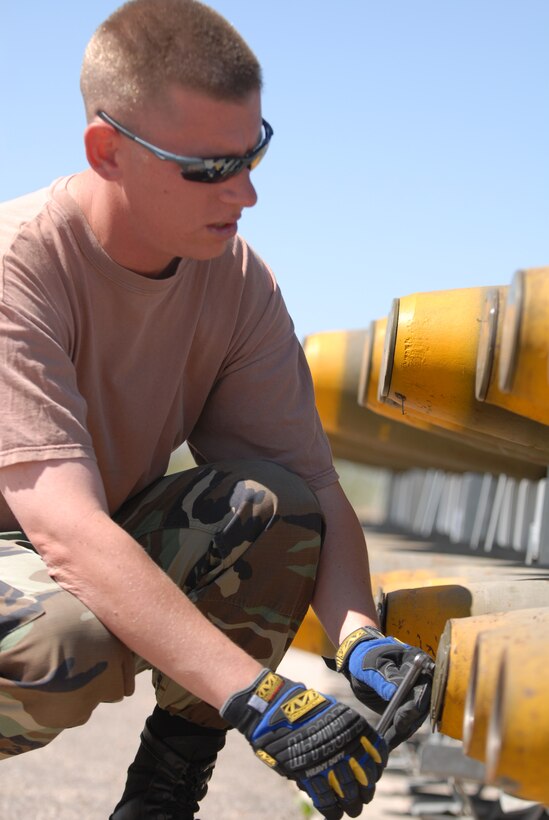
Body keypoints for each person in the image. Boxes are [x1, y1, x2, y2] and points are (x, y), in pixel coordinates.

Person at [0, 1, 433, 817]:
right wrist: (262, 701)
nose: (245, 193)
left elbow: (311, 485)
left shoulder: (234, 278)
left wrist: (357, 638)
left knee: (277, 510)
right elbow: (66, 529)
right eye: (208, 168)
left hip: (60, 548)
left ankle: (164, 792)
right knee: (61, 643)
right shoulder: (18, 266)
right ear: (109, 152)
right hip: (38, 548)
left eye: (254, 153)